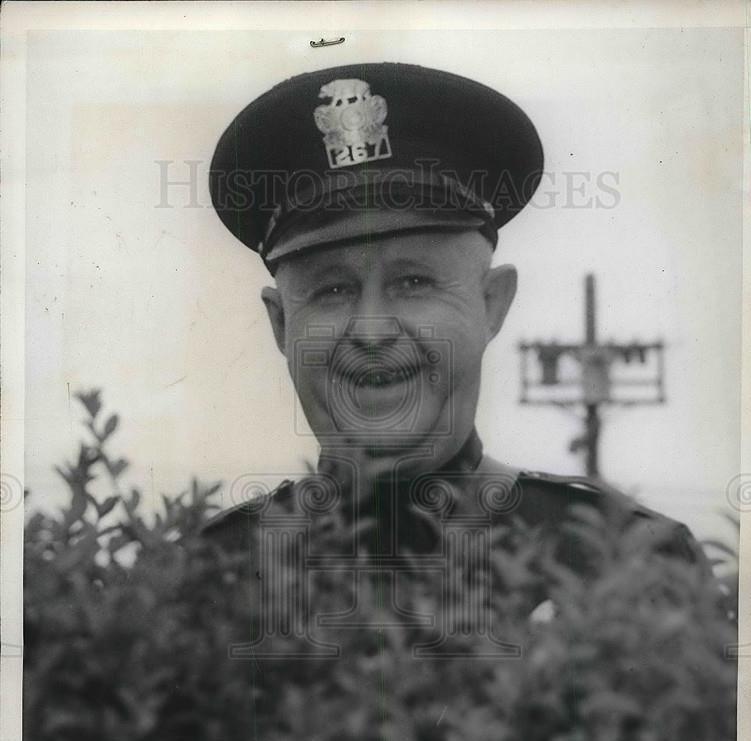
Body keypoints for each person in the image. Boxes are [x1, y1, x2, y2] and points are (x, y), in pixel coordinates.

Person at [204, 61, 707, 657]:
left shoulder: (627, 567)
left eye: (413, 282)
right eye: (332, 290)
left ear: (492, 304)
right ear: (282, 324)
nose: (370, 330)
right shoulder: (201, 581)